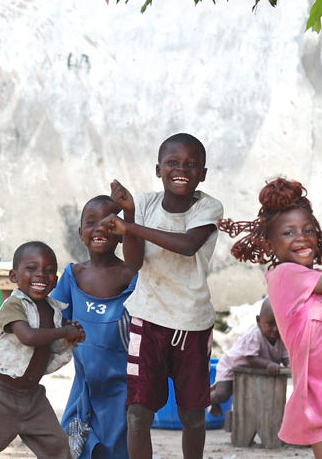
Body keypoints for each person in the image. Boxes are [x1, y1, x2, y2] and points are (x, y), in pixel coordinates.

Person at [219, 177, 322, 459]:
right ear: (270, 244)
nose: (302, 237)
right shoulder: (285, 276)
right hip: (317, 389)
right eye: (289, 233)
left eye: (308, 230)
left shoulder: (321, 278)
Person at [98, 133, 224, 459]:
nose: (181, 169)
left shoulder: (208, 207)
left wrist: (132, 227)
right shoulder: (143, 204)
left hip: (191, 325)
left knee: (193, 417)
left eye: (191, 164)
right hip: (147, 319)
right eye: (172, 163)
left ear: (203, 174)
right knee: (138, 413)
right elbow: (134, 262)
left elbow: (187, 245)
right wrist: (129, 215)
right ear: (158, 169)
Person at [0, 242, 85, 459]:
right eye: (31, 268)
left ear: (56, 280)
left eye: (49, 271)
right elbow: (28, 336)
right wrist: (63, 332)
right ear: (13, 276)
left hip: (33, 398)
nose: (41, 275)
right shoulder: (13, 305)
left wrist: (72, 337)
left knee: (58, 448)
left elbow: (51, 347)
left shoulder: (54, 310)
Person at [52, 195, 138, 459]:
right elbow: (53, 314)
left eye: (109, 223)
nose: (99, 228)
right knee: (74, 445)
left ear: (121, 234)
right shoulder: (73, 275)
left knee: (115, 448)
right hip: (84, 384)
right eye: (91, 223)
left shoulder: (130, 276)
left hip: (119, 387)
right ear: (80, 233)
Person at [209, 298, 289, 416]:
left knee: (255, 396)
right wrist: (269, 364)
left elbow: (285, 357)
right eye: (270, 324)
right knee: (223, 394)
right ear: (258, 320)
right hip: (231, 366)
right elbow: (251, 358)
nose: (275, 329)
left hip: (250, 371)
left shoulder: (282, 337)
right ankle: (209, 398)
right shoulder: (255, 335)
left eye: (279, 324)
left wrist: (290, 365)